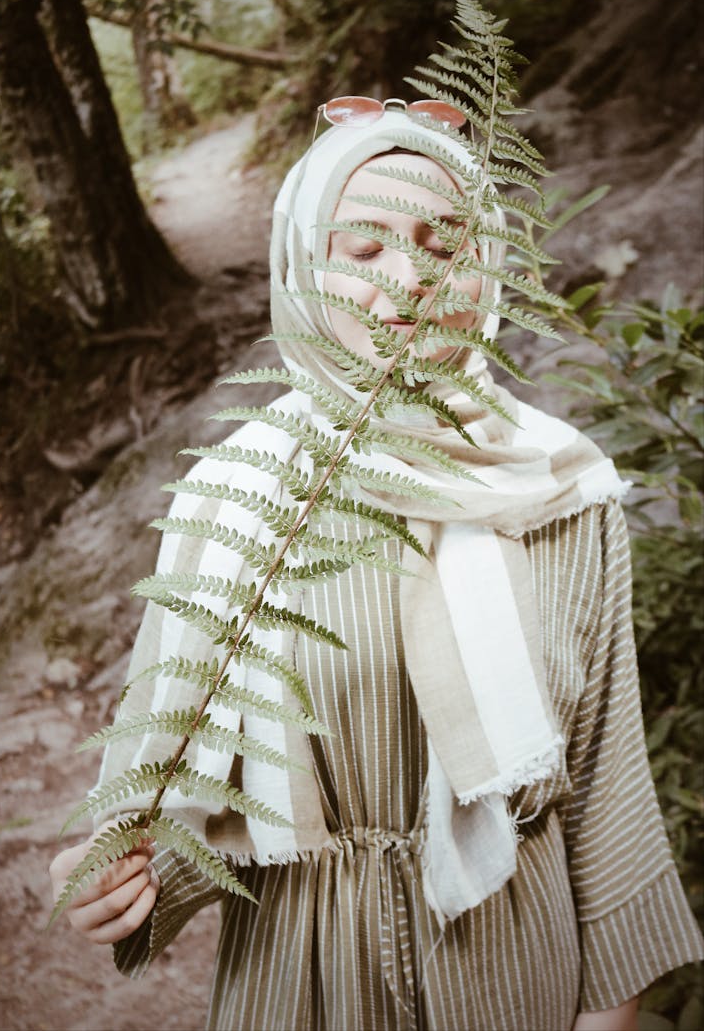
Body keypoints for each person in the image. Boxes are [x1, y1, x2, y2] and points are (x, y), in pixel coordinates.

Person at [50, 102, 703, 1031]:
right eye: (363, 251)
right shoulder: (238, 499)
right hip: (306, 970)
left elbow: (605, 782)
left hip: (516, 967)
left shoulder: (563, 488)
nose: (410, 278)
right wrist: (128, 879)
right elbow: (187, 793)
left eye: (444, 243)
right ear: (304, 273)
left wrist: (610, 1013)